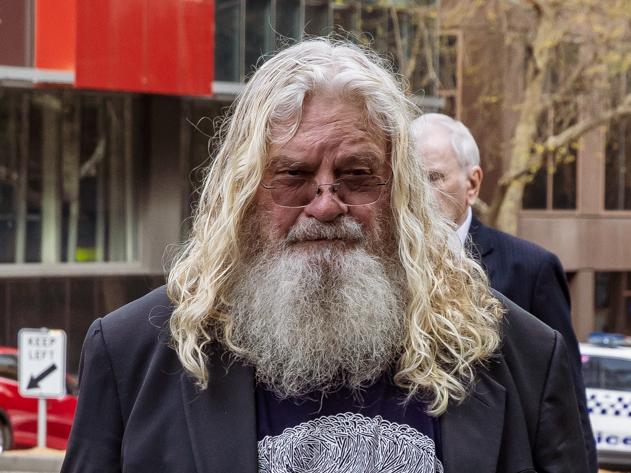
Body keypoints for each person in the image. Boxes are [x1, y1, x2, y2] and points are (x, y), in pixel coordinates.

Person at [62, 39, 589, 473]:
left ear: (400, 191)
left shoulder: (521, 357)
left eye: (358, 175)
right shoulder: (131, 354)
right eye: (293, 175)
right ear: (243, 192)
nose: (326, 204)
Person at [411, 112, 596, 472]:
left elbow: (566, 406)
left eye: (434, 177)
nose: (420, 193)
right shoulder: (385, 270)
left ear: (473, 183)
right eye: (410, 179)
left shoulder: (531, 268)